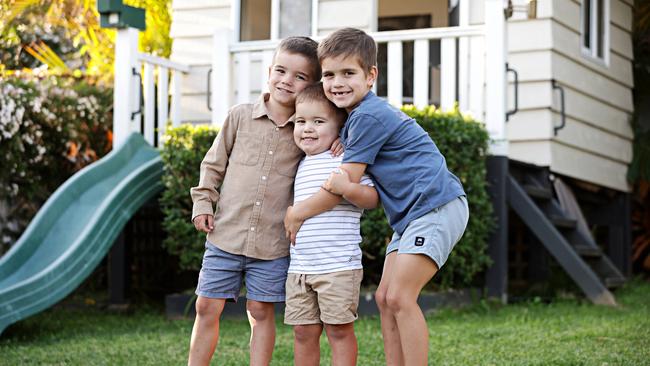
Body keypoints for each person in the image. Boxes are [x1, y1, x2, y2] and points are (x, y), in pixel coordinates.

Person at [284, 28, 469, 365]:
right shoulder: (356, 119)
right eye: (329, 74)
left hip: (435, 205)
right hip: (413, 215)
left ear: (371, 76)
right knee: (384, 297)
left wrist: (297, 213)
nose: (337, 82)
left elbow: (343, 184)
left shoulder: (368, 115)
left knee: (399, 297)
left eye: (348, 73)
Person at [188, 36, 335, 366]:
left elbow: (332, 143)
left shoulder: (305, 131)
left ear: (312, 86)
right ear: (269, 71)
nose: (287, 80)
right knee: (206, 306)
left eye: (300, 77)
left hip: (272, 244)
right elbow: (213, 165)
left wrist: (339, 143)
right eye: (281, 71)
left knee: (260, 310)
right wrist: (203, 203)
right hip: (226, 234)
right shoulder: (240, 117)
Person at [284, 83, 378, 366]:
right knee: (303, 331)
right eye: (301, 121)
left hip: (337, 265)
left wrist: (346, 188)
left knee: (339, 330)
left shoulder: (345, 159)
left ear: (339, 128)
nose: (307, 128)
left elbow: (371, 198)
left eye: (318, 121)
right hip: (300, 267)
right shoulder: (299, 162)